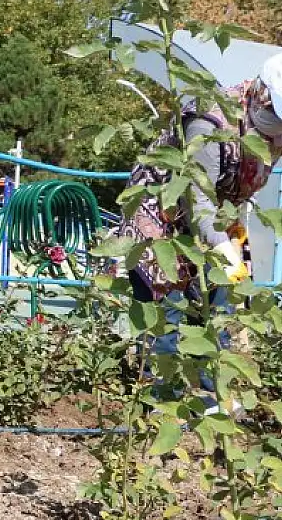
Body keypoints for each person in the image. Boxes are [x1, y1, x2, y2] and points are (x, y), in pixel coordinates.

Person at [120, 52, 282, 413]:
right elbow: (197, 199)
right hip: (160, 215)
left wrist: (233, 239)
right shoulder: (209, 121)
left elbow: (232, 193)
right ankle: (160, 406)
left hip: (216, 217)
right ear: (260, 94)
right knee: (166, 312)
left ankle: (215, 398)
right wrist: (224, 248)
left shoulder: (271, 131)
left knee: (216, 309)